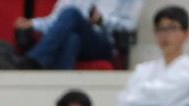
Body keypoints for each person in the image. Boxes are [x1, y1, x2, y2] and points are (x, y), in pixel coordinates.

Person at [15, 0, 143, 70]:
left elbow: (129, 25)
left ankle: (34, 60)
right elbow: (57, 21)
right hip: (78, 40)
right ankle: (60, 87)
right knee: (72, 38)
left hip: (104, 44)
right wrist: (32, 24)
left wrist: (102, 20)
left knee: (72, 13)